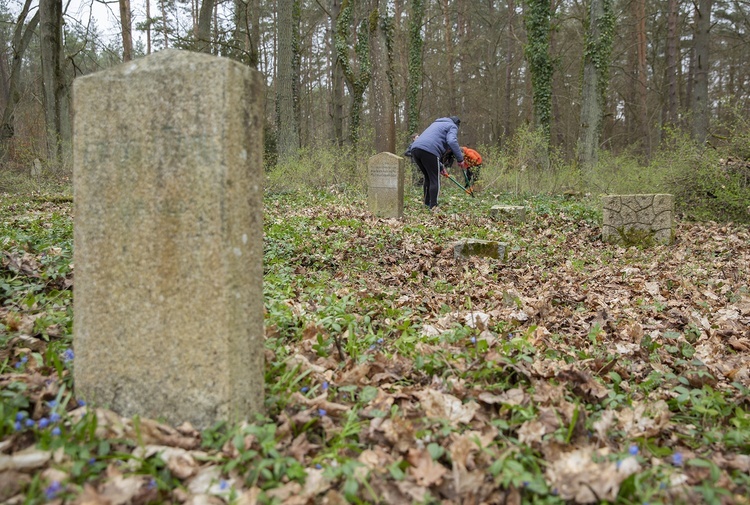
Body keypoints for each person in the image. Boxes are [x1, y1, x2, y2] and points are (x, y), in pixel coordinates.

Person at [410, 116, 467, 210]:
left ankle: (427, 203)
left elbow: (430, 142)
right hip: (430, 151)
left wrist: (440, 167)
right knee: (434, 179)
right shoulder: (452, 126)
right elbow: (452, 141)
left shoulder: (436, 124)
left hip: (415, 149)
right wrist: (460, 159)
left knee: (428, 177)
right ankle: (433, 206)